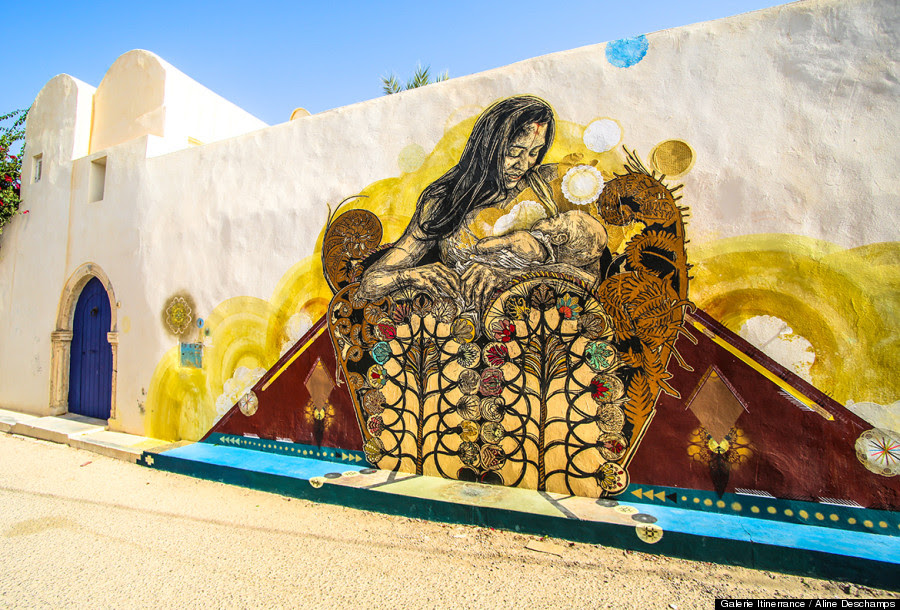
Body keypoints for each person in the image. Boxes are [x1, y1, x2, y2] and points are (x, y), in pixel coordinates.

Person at [356, 95, 606, 312]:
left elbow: (591, 278)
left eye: (533, 153)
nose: (524, 165)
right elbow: (371, 282)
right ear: (488, 147)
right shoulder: (442, 200)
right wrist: (413, 275)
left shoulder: (550, 184)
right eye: (513, 152)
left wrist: (510, 277)